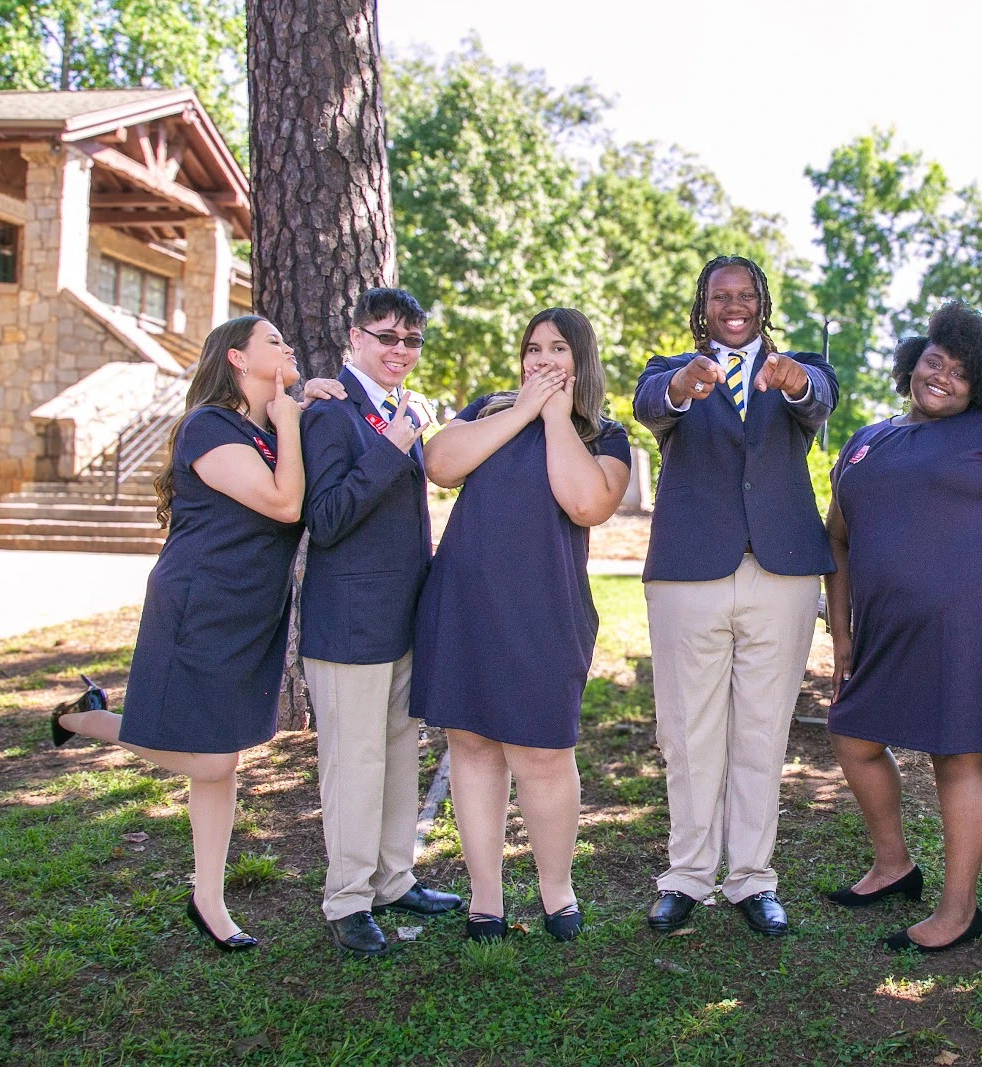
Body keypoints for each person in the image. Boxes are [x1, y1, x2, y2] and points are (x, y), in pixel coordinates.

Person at [824, 302, 982, 953]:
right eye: (934, 360)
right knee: (853, 736)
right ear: (913, 359)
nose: (942, 376)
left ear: (981, 387)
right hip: (884, 629)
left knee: (954, 757)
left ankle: (958, 909)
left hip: (971, 628)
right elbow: (837, 541)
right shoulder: (865, 440)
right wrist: (840, 636)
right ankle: (894, 866)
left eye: (961, 373)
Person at [50, 315, 305, 952]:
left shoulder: (263, 425)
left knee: (220, 766)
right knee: (214, 756)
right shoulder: (209, 426)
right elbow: (283, 503)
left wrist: (301, 405)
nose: (288, 347)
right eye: (274, 340)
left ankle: (208, 899)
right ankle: (83, 721)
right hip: (200, 602)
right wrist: (295, 418)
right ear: (238, 360)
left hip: (252, 608)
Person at [634, 255, 838, 937]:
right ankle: (687, 875)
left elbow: (820, 399)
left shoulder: (799, 366)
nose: (733, 304)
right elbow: (648, 404)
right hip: (690, 573)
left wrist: (797, 378)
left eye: (745, 294)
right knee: (687, 729)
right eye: (720, 295)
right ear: (704, 303)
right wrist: (684, 385)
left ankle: (752, 877)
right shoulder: (671, 371)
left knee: (762, 727)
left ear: (761, 302)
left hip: (779, 573)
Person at [414, 308, 631, 943]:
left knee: (542, 750)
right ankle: (486, 899)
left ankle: (556, 892)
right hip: (465, 601)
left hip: (546, 609)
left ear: (581, 361)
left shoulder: (603, 435)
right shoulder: (489, 410)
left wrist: (556, 419)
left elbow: (588, 503)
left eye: (558, 349)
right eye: (533, 348)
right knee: (473, 745)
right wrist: (520, 412)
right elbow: (440, 464)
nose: (541, 360)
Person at [296, 288, 460, 958]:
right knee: (354, 765)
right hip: (349, 625)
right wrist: (392, 445)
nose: (400, 350)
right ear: (355, 337)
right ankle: (348, 899)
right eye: (387, 336)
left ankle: (393, 878)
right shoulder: (330, 411)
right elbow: (327, 518)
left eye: (411, 340)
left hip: (401, 620)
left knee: (397, 757)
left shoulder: (401, 408)